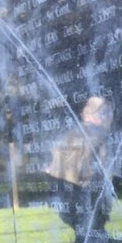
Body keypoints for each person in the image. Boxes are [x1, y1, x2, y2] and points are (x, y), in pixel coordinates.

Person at [45, 96, 115, 232]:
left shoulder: (68, 135)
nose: (110, 117)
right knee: (94, 238)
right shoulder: (99, 136)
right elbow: (103, 171)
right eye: (107, 112)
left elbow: (52, 168)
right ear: (98, 115)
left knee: (84, 239)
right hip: (86, 200)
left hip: (65, 199)